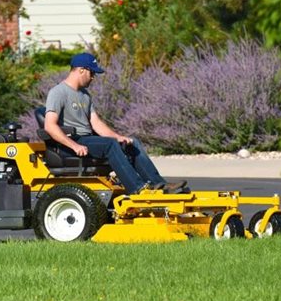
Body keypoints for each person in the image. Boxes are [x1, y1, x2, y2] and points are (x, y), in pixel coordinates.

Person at [44, 52, 188, 195]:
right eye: (92, 73)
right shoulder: (58, 92)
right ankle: (138, 189)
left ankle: (159, 184)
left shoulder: (84, 95)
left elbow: (96, 123)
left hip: (88, 139)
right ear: (81, 70)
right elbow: (50, 126)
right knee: (110, 145)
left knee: (133, 143)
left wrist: (118, 137)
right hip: (71, 143)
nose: (93, 77)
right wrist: (75, 146)